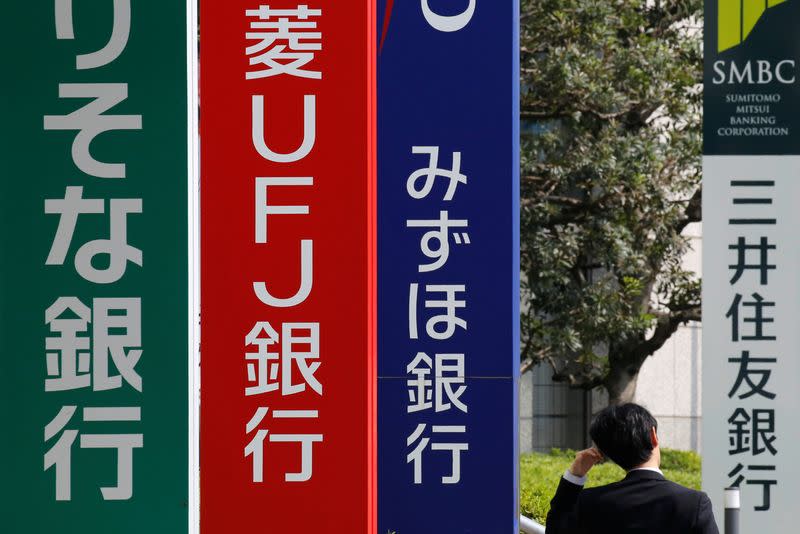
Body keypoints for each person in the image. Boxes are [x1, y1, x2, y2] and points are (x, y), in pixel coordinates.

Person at [545, 403, 719, 533]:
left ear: (605, 452)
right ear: (653, 436)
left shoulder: (590, 502)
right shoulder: (693, 503)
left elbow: (556, 528)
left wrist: (574, 476)